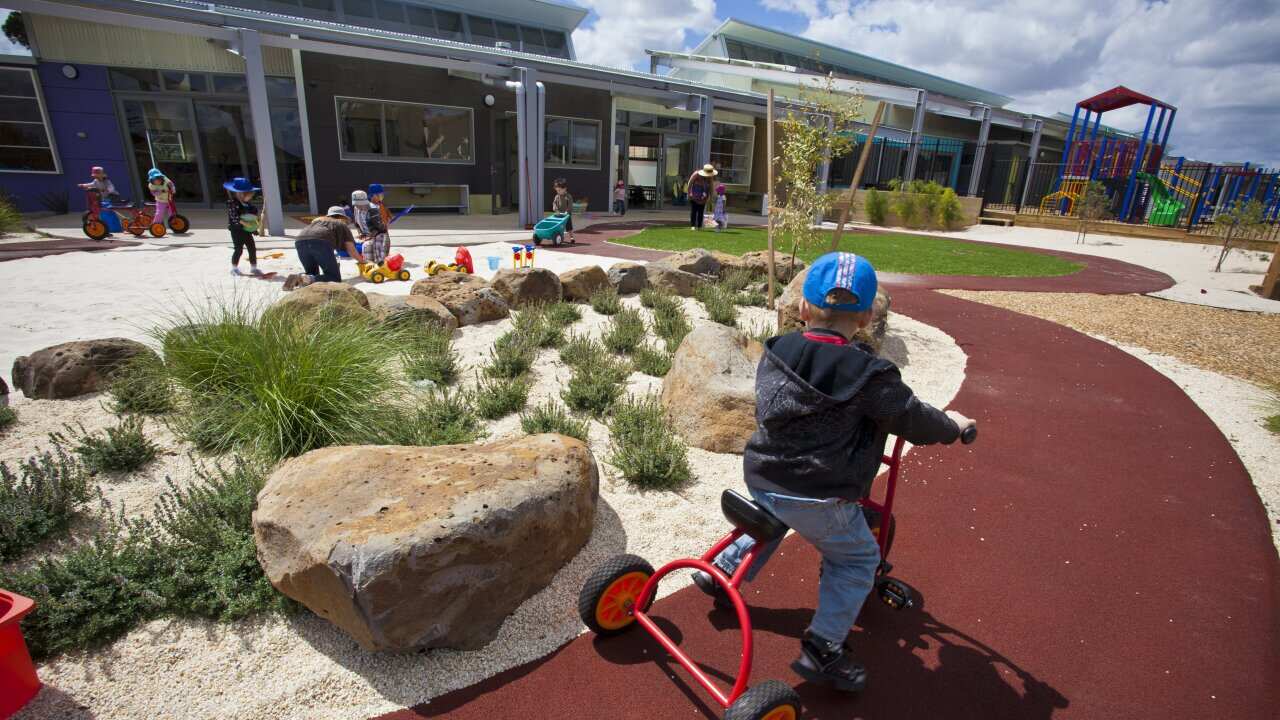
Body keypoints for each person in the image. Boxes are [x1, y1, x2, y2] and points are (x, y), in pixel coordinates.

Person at [692, 252, 977, 693]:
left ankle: (724, 569)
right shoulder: (870, 374)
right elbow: (911, 418)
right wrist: (951, 425)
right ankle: (824, 647)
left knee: (778, 513)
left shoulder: (778, 350)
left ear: (803, 308)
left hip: (763, 475)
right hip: (820, 494)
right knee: (857, 559)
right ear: (865, 318)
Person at [283, 206, 363, 291]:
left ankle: (298, 279)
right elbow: (351, 249)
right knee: (334, 278)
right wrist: (362, 261)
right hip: (320, 242)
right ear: (342, 217)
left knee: (312, 274)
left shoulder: (317, 222)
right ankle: (306, 278)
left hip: (299, 241)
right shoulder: (341, 223)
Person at [224, 177, 264, 277]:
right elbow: (235, 217)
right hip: (237, 230)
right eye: (249, 195)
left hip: (247, 231)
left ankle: (253, 268)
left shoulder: (248, 205)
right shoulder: (232, 203)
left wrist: (254, 227)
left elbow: (253, 217)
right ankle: (234, 268)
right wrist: (246, 224)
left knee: (252, 248)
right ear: (240, 194)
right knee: (238, 249)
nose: (250, 197)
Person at [350, 189, 389, 266]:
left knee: (380, 261)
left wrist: (371, 236)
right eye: (356, 204)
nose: (358, 206)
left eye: (360, 204)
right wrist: (361, 233)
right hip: (368, 236)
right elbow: (357, 223)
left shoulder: (373, 209)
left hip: (379, 235)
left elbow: (379, 227)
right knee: (368, 257)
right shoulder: (356, 208)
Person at [685, 163, 716, 230]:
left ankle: (699, 226)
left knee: (701, 212)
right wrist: (689, 193)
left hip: (703, 198)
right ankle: (693, 226)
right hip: (694, 196)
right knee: (694, 211)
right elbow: (690, 183)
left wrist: (710, 198)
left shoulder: (710, 178)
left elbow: (711, 188)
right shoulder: (696, 174)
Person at [551, 178, 576, 243]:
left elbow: (570, 205)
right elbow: (554, 203)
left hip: (566, 215)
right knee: (558, 226)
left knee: (569, 226)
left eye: (559, 190)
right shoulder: (557, 196)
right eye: (557, 190)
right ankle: (558, 236)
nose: (558, 192)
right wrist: (556, 209)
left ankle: (571, 237)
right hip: (559, 214)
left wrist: (567, 211)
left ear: (564, 189)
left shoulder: (568, 196)